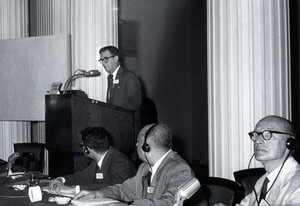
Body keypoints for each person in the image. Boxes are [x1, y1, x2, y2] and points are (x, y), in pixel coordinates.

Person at [73, 123, 195, 205]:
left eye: (138, 142)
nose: (136, 146)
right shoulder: (145, 167)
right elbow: (125, 189)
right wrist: (97, 194)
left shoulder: (180, 169)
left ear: (146, 147)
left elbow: (168, 202)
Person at [216, 115, 300, 206]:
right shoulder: (264, 180)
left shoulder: (297, 183)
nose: (257, 141)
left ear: (290, 142)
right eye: (255, 135)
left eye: (268, 134)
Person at [48, 127, 136, 195]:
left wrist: (74, 190)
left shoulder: (120, 161)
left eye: (81, 145)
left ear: (87, 149)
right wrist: (61, 180)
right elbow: (82, 176)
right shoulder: (100, 158)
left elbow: (113, 186)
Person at [99, 46, 142, 111]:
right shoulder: (110, 77)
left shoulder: (129, 77)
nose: (103, 63)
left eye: (106, 59)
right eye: (101, 60)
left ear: (116, 59)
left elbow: (134, 106)